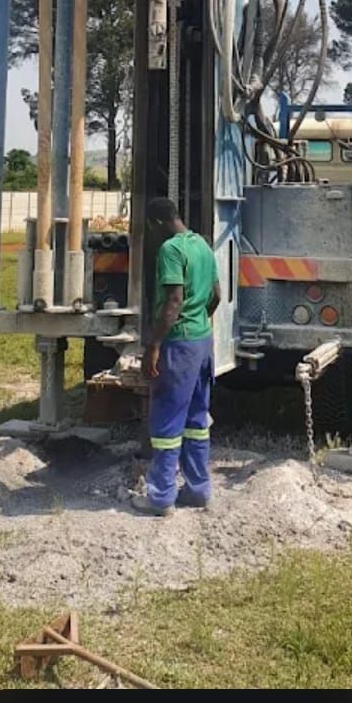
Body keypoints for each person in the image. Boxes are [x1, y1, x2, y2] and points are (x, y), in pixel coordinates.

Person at [133, 198, 220, 516]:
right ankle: (198, 490)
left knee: (167, 418)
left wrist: (155, 344)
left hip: (179, 344)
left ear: (156, 223)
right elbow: (217, 295)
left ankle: (160, 498)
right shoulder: (202, 245)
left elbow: (173, 300)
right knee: (197, 418)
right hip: (202, 342)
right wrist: (200, 321)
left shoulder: (170, 250)